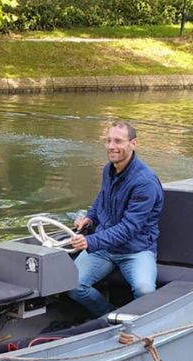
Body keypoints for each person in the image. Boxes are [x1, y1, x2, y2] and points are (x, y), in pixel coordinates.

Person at [67, 121, 164, 319]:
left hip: (136, 249)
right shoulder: (109, 169)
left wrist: (90, 241)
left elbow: (130, 228)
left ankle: (142, 328)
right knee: (71, 284)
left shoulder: (145, 182)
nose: (112, 146)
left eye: (118, 141)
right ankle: (110, 317)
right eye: (108, 140)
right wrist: (90, 218)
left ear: (133, 144)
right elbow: (102, 197)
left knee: (145, 290)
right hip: (105, 247)